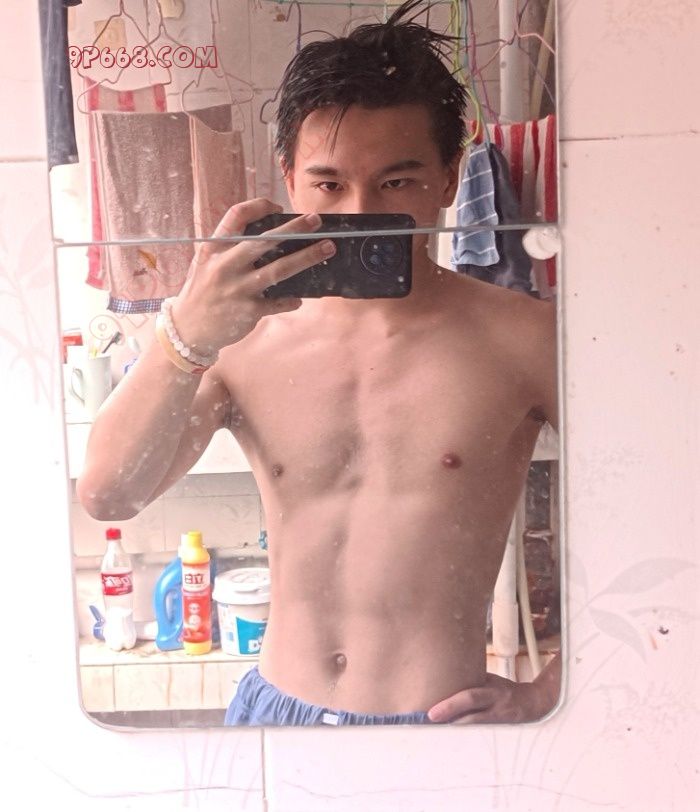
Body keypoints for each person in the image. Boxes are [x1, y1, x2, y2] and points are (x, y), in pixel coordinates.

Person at [77, 0, 560, 725]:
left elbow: (671, 500)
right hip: (277, 712)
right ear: (289, 178)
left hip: (435, 728)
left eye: (396, 182)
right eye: (330, 184)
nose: (359, 212)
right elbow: (108, 496)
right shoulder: (237, 338)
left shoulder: (521, 337)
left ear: (450, 175)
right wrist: (185, 334)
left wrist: (550, 692)